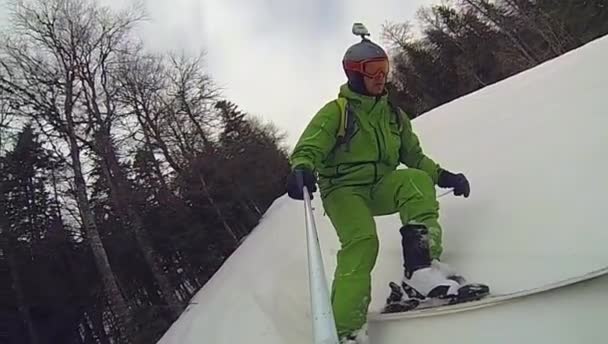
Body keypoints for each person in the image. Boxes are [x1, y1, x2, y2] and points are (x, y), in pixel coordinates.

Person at [286, 26, 471, 343]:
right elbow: (309, 146)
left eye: (385, 69)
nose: (381, 76)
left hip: (380, 185)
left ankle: (421, 270)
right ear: (355, 74)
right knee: (362, 242)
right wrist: (301, 167)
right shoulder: (337, 112)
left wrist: (443, 176)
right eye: (373, 70)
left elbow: (413, 157)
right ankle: (346, 331)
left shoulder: (393, 116)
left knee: (415, 181)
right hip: (343, 191)